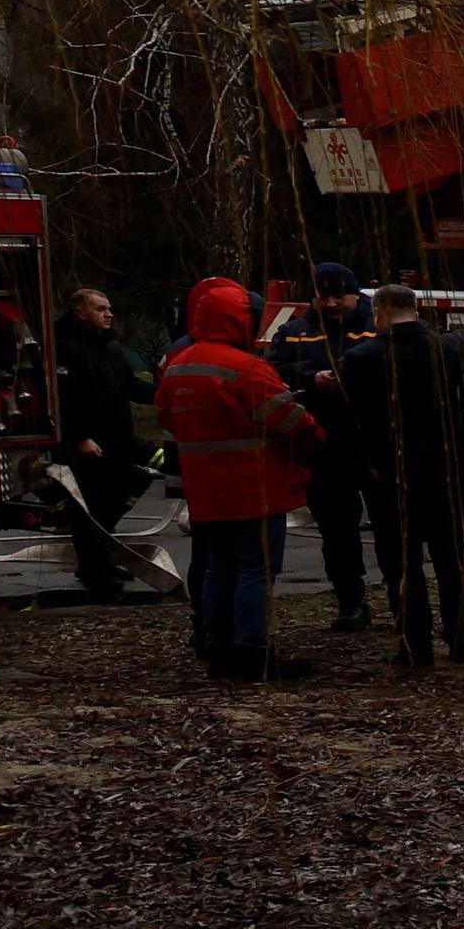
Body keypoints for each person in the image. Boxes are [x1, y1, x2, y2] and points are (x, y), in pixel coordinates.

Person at [155, 277, 322, 680]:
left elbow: (165, 418)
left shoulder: (178, 366)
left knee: (217, 568)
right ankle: (252, 650)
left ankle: (218, 646)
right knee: (255, 571)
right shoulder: (246, 368)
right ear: (239, 319)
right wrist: (319, 439)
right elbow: (292, 422)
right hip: (253, 487)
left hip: (206, 491)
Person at [337, 285, 464, 665]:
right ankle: (460, 638)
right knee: (450, 558)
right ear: (414, 309)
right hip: (443, 470)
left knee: (401, 562)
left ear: (378, 312)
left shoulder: (361, 359)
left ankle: (415, 643)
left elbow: (352, 418)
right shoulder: (446, 350)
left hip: (389, 471)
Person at [268, 261, 379, 630]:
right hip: (323, 445)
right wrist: (311, 378)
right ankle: (351, 600)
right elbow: (275, 370)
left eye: (338, 296)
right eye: (323, 296)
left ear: (355, 294)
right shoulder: (296, 332)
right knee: (336, 529)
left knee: (391, 524)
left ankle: (402, 596)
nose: (330, 304)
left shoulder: (377, 328)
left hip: (373, 441)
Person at [50, 286, 151, 602]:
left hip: (117, 439)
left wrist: (163, 394)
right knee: (89, 507)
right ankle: (97, 569)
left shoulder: (108, 349)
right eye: (100, 308)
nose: (109, 314)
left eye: (109, 308)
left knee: (129, 486)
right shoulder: (64, 348)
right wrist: (80, 437)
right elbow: (64, 398)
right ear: (80, 312)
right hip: (89, 444)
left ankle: (99, 558)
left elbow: (129, 385)